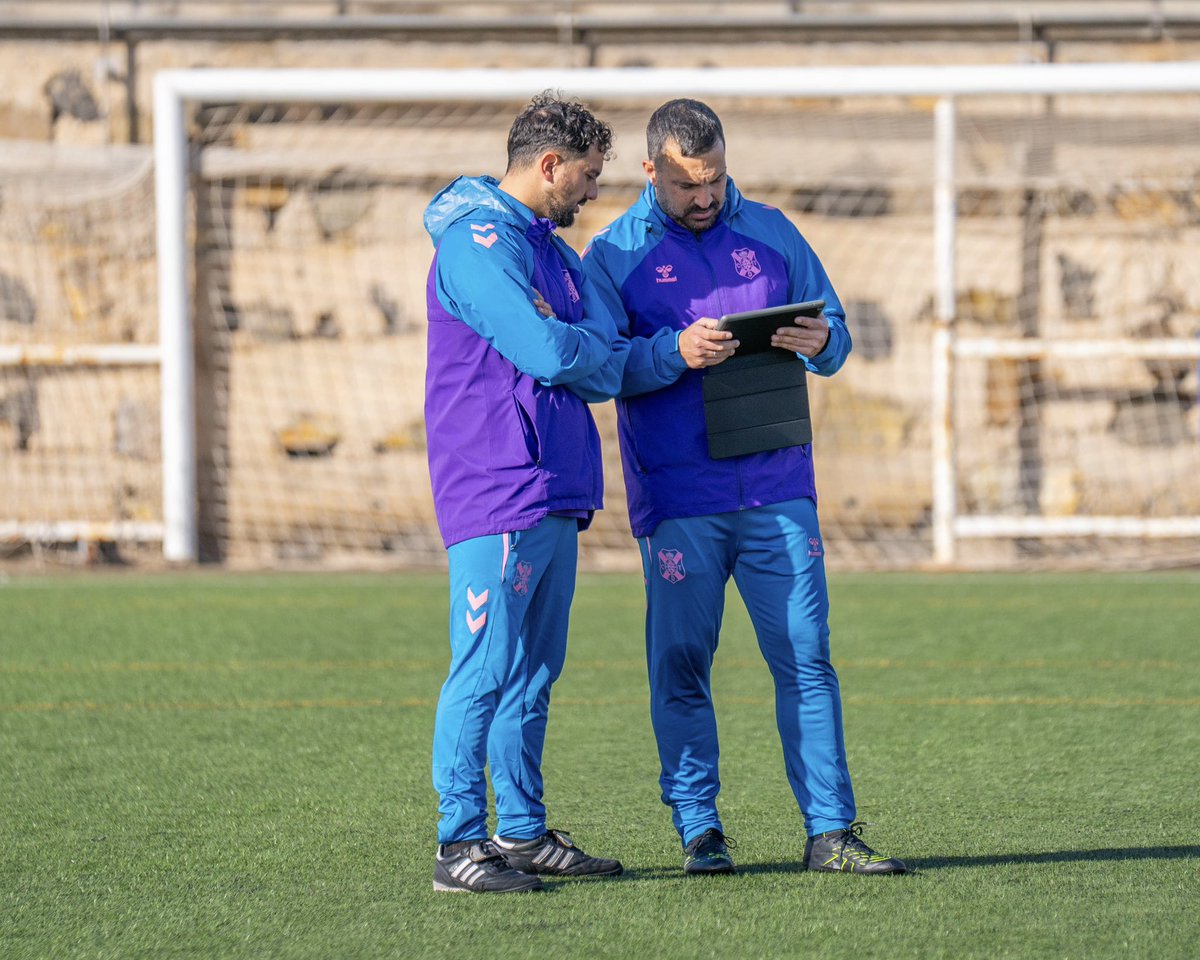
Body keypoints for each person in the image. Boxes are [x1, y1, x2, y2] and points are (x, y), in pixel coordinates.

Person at [579, 98, 907, 876]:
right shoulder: (612, 256)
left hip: (778, 486)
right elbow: (594, 366)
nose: (705, 198)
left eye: (716, 180)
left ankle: (831, 831)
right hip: (679, 498)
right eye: (688, 184)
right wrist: (671, 353)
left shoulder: (774, 233)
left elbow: (837, 335)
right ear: (650, 170)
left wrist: (824, 340)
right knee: (683, 664)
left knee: (807, 657)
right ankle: (701, 830)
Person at [423, 92, 625, 893]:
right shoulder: (477, 244)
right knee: (482, 667)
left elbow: (607, 352)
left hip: (554, 488)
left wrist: (577, 345)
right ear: (549, 166)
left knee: (535, 672)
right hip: (497, 488)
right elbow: (546, 349)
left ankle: (523, 833)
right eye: (586, 175)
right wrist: (574, 345)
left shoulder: (549, 250)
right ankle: (458, 847)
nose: (592, 192)